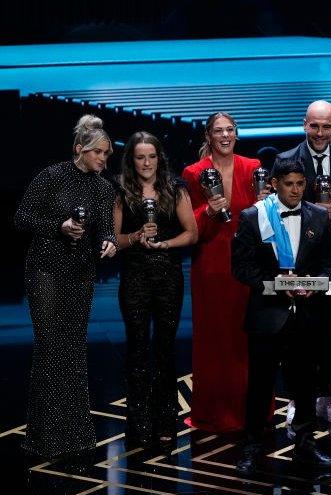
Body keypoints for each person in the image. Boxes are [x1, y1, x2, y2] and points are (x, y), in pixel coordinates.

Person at [15, 114, 118, 458]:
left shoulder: (104, 188)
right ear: (79, 150)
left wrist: (108, 242)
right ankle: (43, 436)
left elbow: (104, 227)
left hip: (80, 271)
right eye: (98, 153)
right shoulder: (52, 176)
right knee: (49, 347)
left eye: (107, 154)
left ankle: (75, 434)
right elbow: (22, 218)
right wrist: (58, 227)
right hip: (45, 269)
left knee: (73, 349)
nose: (104, 159)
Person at [231, 158, 331, 474]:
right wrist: (279, 287)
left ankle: (305, 444)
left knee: (304, 384)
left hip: (306, 315)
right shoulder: (254, 217)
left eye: (300, 184)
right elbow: (241, 268)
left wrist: (311, 288)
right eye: (289, 184)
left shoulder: (318, 216)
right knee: (261, 384)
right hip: (267, 314)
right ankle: (252, 446)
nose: (295, 190)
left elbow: (330, 265)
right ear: (275, 184)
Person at [275, 100, 331, 424]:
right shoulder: (285, 160)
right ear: (304, 125)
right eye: (314, 125)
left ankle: (326, 395)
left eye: (326, 126)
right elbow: (275, 211)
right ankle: (296, 399)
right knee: (296, 332)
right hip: (296, 264)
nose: (320, 132)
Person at [113, 132, 198, 448]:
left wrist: (165, 243)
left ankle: (165, 420)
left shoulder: (175, 189)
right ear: (132, 160)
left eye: (151, 156)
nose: (146, 163)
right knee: (136, 349)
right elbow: (114, 239)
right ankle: (138, 422)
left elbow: (192, 233)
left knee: (164, 348)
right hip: (134, 279)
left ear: (159, 158)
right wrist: (136, 236)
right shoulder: (121, 191)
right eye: (140, 157)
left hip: (167, 277)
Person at [183, 111, 262, 432]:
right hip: (212, 265)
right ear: (209, 136)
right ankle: (213, 412)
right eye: (219, 131)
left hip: (248, 265)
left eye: (230, 129)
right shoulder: (194, 173)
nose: (226, 135)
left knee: (247, 338)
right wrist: (207, 212)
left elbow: (265, 218)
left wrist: (266, 204)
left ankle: (250, 410)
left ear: (236, 134)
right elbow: (188, 223)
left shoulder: (253, 167)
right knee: (214, 338)